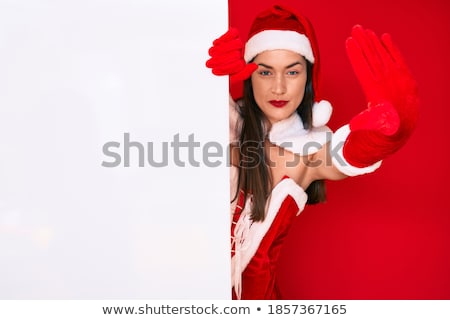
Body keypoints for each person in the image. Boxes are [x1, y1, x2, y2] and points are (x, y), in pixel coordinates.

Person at [206, 4, 418, 300]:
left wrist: (387, 134)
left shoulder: (307, 151)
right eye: (265, 71)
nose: (278, 88)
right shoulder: (216, 124)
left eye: (292, 72)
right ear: (249, 74)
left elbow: (345, 154)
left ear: (308, 77)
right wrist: (202, 80)